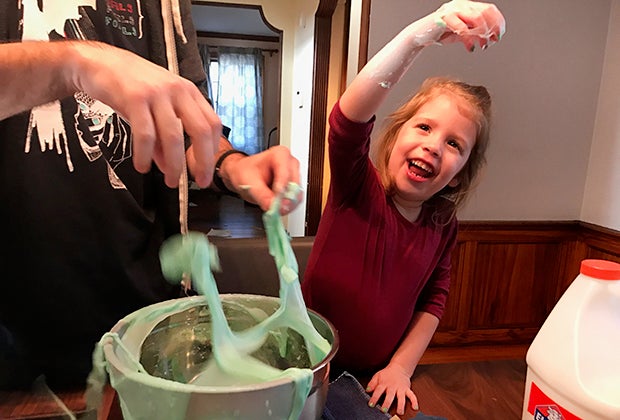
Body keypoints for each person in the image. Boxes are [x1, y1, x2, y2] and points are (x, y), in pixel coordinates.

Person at [0, 0, 300, 390]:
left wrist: (230, 164)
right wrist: (77, 63)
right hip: (16, 330)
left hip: (145, 312)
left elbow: (187, 128)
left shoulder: (168, 7)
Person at [301, 1, 505, 416]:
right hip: (309, 364)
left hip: (372, 378)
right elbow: (346, 121)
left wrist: (401, 368)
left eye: (454, 144)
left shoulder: (442, 226)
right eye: (425, 127)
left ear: (460, 175)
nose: (433, 146)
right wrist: (421, 34)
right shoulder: (357, 187)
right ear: (395, 136)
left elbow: (434, 301)